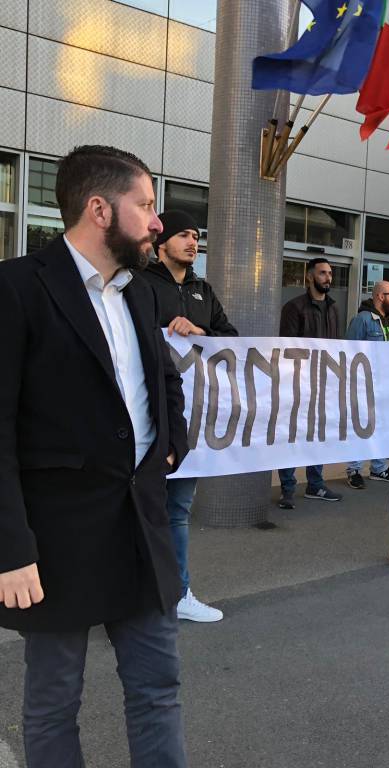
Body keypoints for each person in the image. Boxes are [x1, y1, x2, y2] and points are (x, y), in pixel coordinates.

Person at [0, 145, 189, 767]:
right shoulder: (17, 289)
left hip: (141, 526)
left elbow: (164, 379)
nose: (157, 222)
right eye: (146, 205)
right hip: (55, 540)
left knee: (158, 690)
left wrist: (170, 443)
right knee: (54, 703)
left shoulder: (140, 292)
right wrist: (11, 549)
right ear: (100, 209)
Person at [141, 209, 237, 623]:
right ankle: (135, 596)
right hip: (147, 414)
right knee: (140, 508)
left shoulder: (204, 290)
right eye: (183, 235)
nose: (192, 242)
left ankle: (178, 592)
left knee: (178, 508)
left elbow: (232, 339)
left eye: (196, 236)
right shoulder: (140, 283)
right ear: (162, 243)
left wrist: (202, 334)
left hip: (192, 419)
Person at [278, 257, 343, 507]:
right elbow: (287, 348)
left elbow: (337, 346)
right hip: (297, 384)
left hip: (324, 383)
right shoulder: (294, 308)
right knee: (292, 435)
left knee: (317, 435)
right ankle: (287, 488)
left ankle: (315, 485)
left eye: (330, 273)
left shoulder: (334, 309)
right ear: (309, 276)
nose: (328, 278)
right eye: (323, 273)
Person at [344, 281, 389, 488]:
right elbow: (349, 351)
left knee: (382, 426)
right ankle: (354, 469)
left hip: (386, 384)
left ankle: (379, 468)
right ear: (380, 296)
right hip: (364, 384)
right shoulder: (363, 320)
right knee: (362, 427)